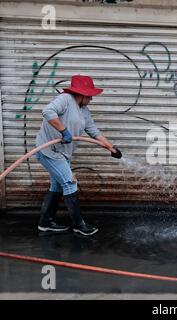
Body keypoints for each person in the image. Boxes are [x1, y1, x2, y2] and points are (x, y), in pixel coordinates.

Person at [35, 75, 122, 236]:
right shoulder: (65, 99)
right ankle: (78, 225)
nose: (91, 99)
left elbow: (94, 132)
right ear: (80, 94)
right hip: (49, 151)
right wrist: (63, 130)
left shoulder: (84, 111)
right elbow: (48, 111)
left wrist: (111, 148)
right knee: (70, 183)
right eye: (89, 96)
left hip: (62, 154)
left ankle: (45, 222)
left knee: (57, 185)